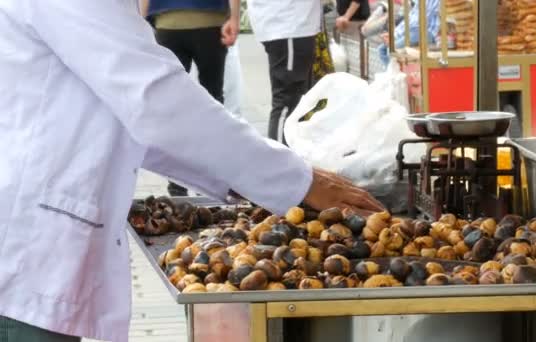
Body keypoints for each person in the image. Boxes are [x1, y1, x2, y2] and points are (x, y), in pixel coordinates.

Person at [0, 1, 384, 342]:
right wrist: (299, 182)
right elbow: (157, 101)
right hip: (25, 254)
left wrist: (265, 183)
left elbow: (142, 124)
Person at [140, 0, 240, 196]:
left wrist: (139, 24)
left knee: (173, 107)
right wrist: (234, 17)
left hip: (168, 25)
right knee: (213, 102)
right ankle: (211, 179)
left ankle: (176, 182)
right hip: (209, 23)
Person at [247, 0, 320, 143]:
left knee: (296, 100)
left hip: (289, 24)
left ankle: (288, 156)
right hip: (289, 24)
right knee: (287, 100)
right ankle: (279, 159)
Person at [373, 0, 441, 67]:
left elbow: (418, 20)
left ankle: (395, 73)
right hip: (414, 31)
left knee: (391, 49)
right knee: (382, 49)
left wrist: (395, 35)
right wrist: (394, 34)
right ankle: (392, 73)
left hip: (426, 32)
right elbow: (411, 18)